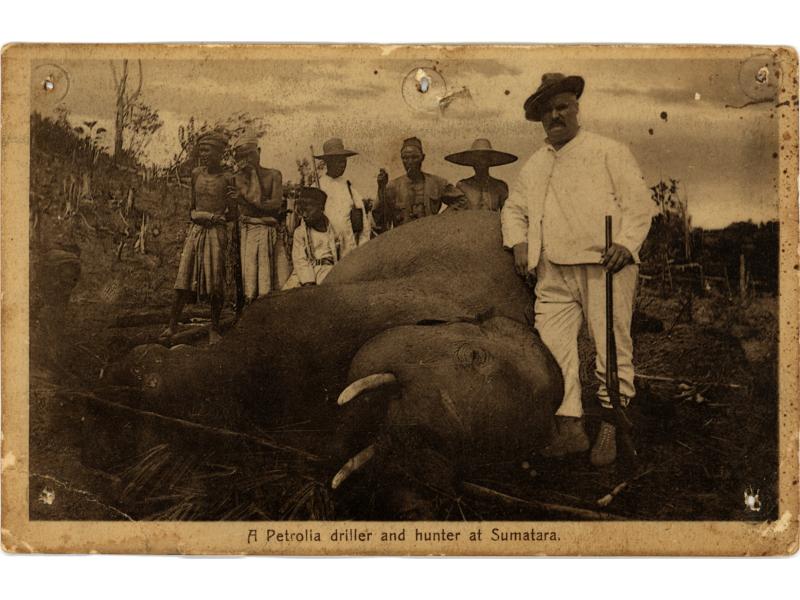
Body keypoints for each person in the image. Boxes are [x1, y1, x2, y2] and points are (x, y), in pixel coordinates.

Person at [501, 73, 654, 467]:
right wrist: (519, 241)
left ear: (576, 108)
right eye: (547, 110)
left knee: (609, 344)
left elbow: (639, 204)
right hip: (552, 271)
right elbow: (513, 210)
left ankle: (612, 424)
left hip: (604, 263)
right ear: (538, 119)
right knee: (553, 351)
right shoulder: (536, 164)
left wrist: (626, 243)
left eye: (562, 106)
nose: (555, 115)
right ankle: (569, 427)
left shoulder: (607, 150)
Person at [163, 130, 234, 345]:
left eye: (208, 150)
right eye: (201, 150)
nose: (204, 154)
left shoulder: (228, 178)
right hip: (196, 230)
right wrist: (199, 216)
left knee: (215, 281)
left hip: (216, 233)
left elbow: (233, 214)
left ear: (220, 153)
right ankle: (171, 325)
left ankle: (213, 328)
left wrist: (219, 216)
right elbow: (192, 207)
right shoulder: (196, 174)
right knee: (183, 278)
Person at [230, 136, 285, 301]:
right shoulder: (238, 178)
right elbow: (258, 200)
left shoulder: (274, 175)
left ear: (259, 152)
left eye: (250, 154)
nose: (247, 160)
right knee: (250, 284)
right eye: (242, 156)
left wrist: (246, 200)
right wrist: (252, 174)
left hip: (270, 232)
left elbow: (275, 205)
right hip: (249, 232)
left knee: (274, 283)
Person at [373, 137, 465, 232]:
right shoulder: (392, 187)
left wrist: (440, 220)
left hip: (431, 237)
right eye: (405, 158)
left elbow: (462, 201)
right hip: (402, 240)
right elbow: (380, 223)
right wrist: (381, 189)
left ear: (423, 157)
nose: (410, 162)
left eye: (414, 157)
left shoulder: (437, 183)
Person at [314, 138, 371, 255]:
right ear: (328, 162)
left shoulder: (349, 187)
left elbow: (364, 223)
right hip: (325, 250)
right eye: (338, 161)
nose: (343, 164)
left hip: (349, 250)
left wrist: (362, 249)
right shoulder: (317, 187)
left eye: (344, 160)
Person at [283, 187, 342, 288]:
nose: (304, 215)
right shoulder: (300, 232)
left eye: (308, 211)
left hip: (329, 271)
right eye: (302, 212)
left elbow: (344, 254)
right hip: (306, 272)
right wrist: (308, 281)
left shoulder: (335, 230)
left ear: (321, 208)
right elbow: (300, 259)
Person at [445, 138, 517, 211]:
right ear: (472, 163)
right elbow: (455, 211)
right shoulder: (463, 186)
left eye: (483, 158)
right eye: (476, 159)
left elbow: (507, 213)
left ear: (490, 161)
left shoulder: (500, 186)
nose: (480, 163)